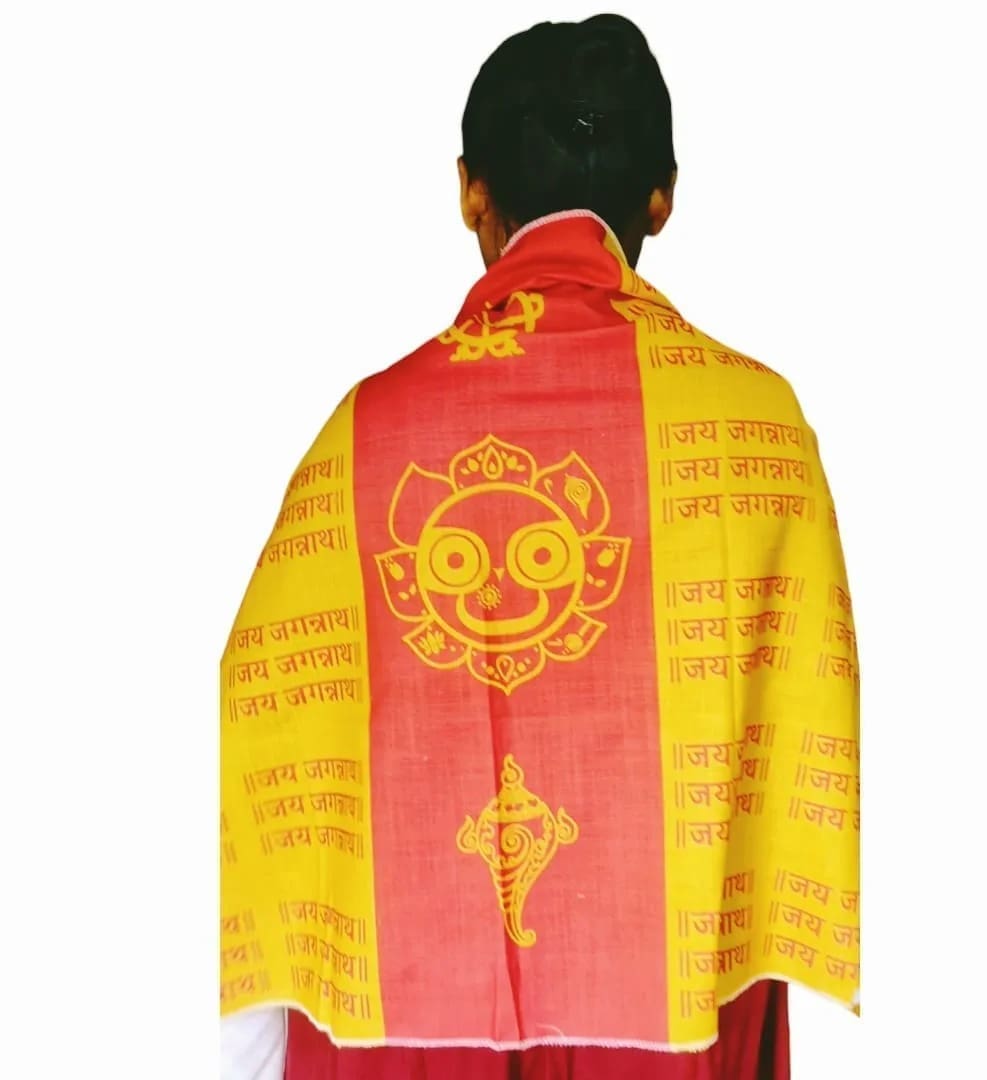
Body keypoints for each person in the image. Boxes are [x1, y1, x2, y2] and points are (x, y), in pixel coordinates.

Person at [220, 13, 859, 1079]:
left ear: (471, 192)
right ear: (662, 196)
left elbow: (259, 758)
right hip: (671, 1017)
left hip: (402, 1024)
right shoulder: (759, 436)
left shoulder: (362, 437)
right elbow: (804, 755)